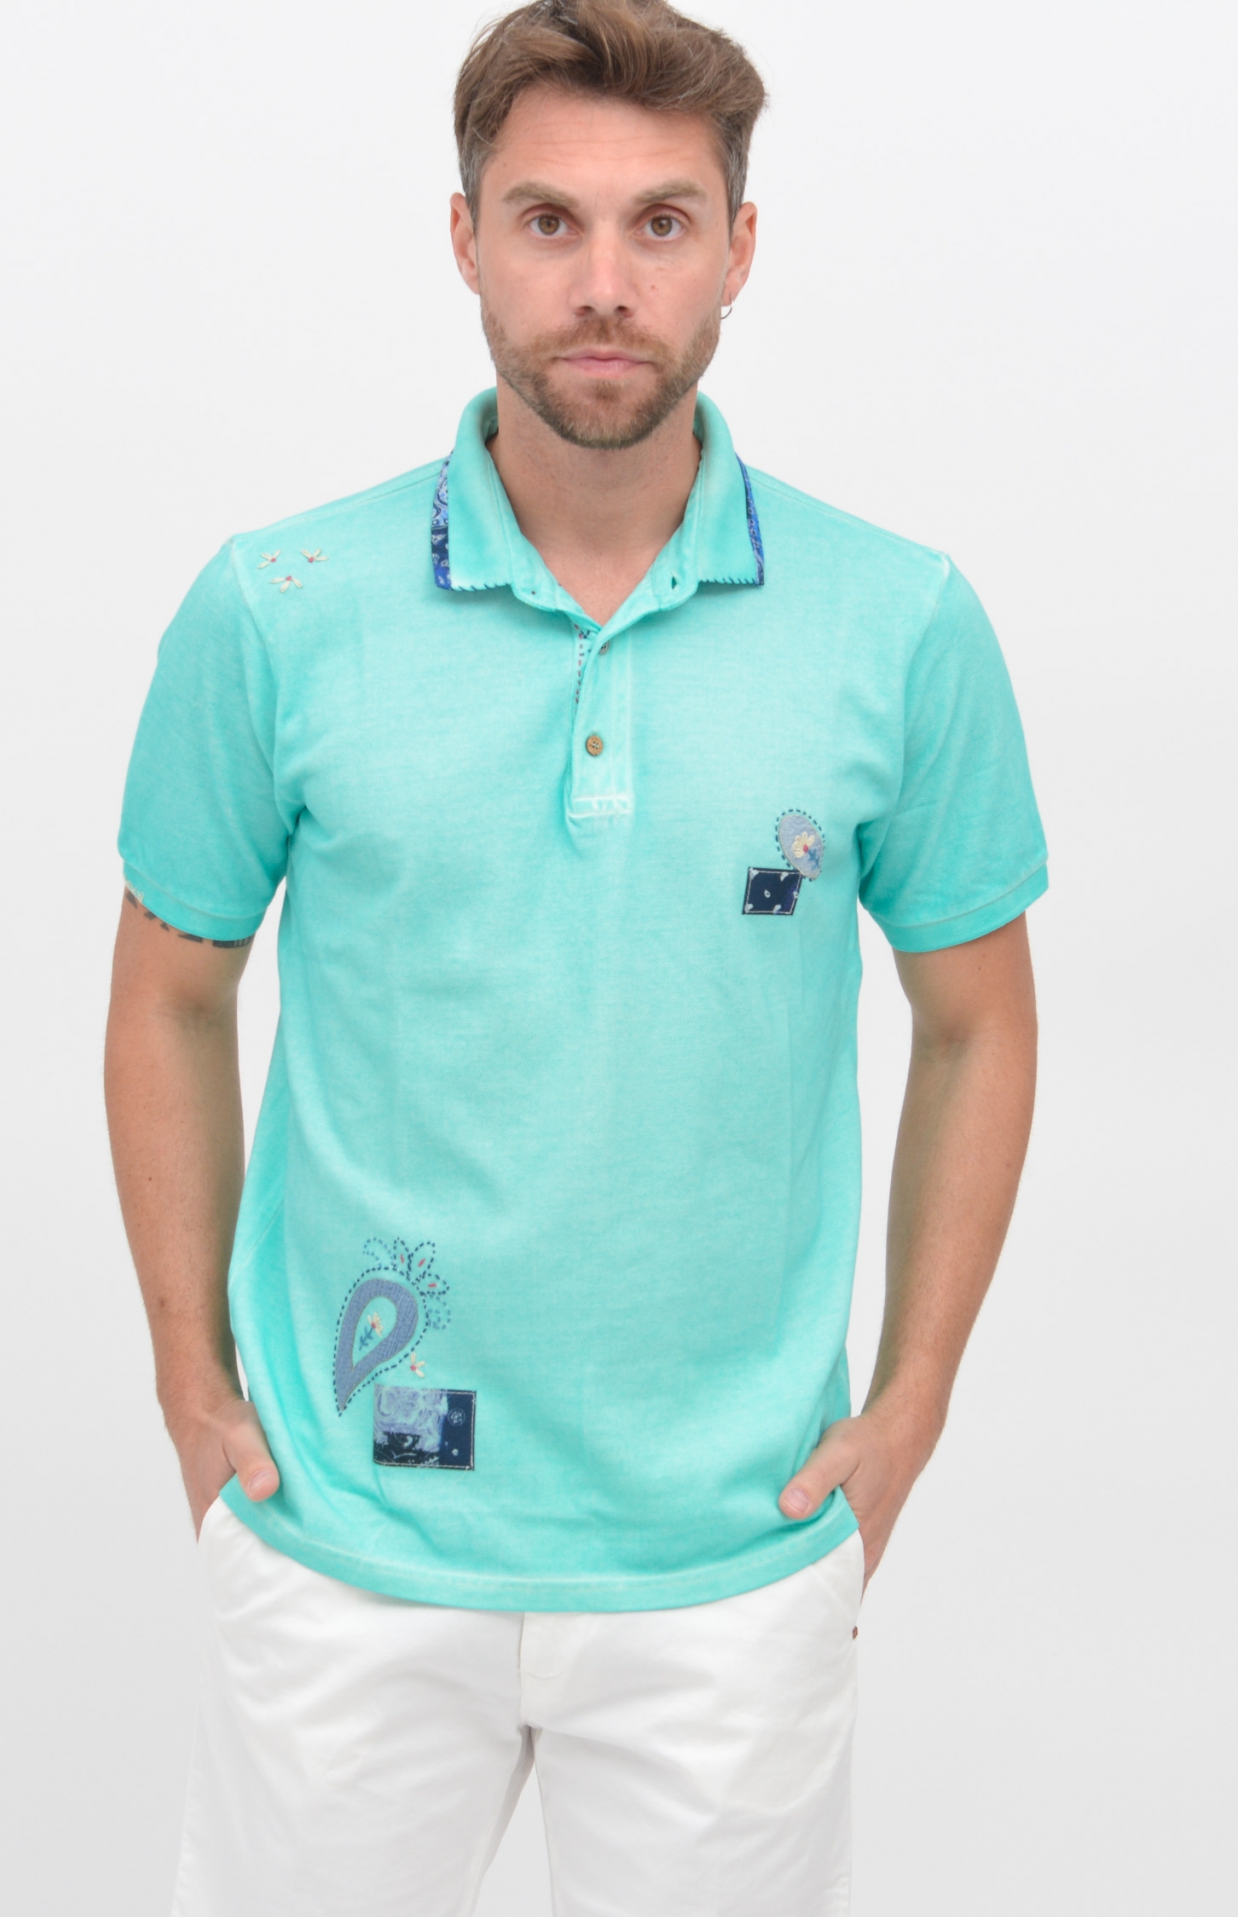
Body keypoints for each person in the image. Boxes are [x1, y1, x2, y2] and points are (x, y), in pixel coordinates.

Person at [105, 2, 1046, 1911]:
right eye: (549, 221)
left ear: (740, 248)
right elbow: (168, 993)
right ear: (464, 238)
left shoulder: (900, 621)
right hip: (344, 1545)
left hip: (733, 1567)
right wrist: (193, 1392)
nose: (604, 284)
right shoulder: (276, 609)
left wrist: (912, 1408)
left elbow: (979, 1026)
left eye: (660, 223)